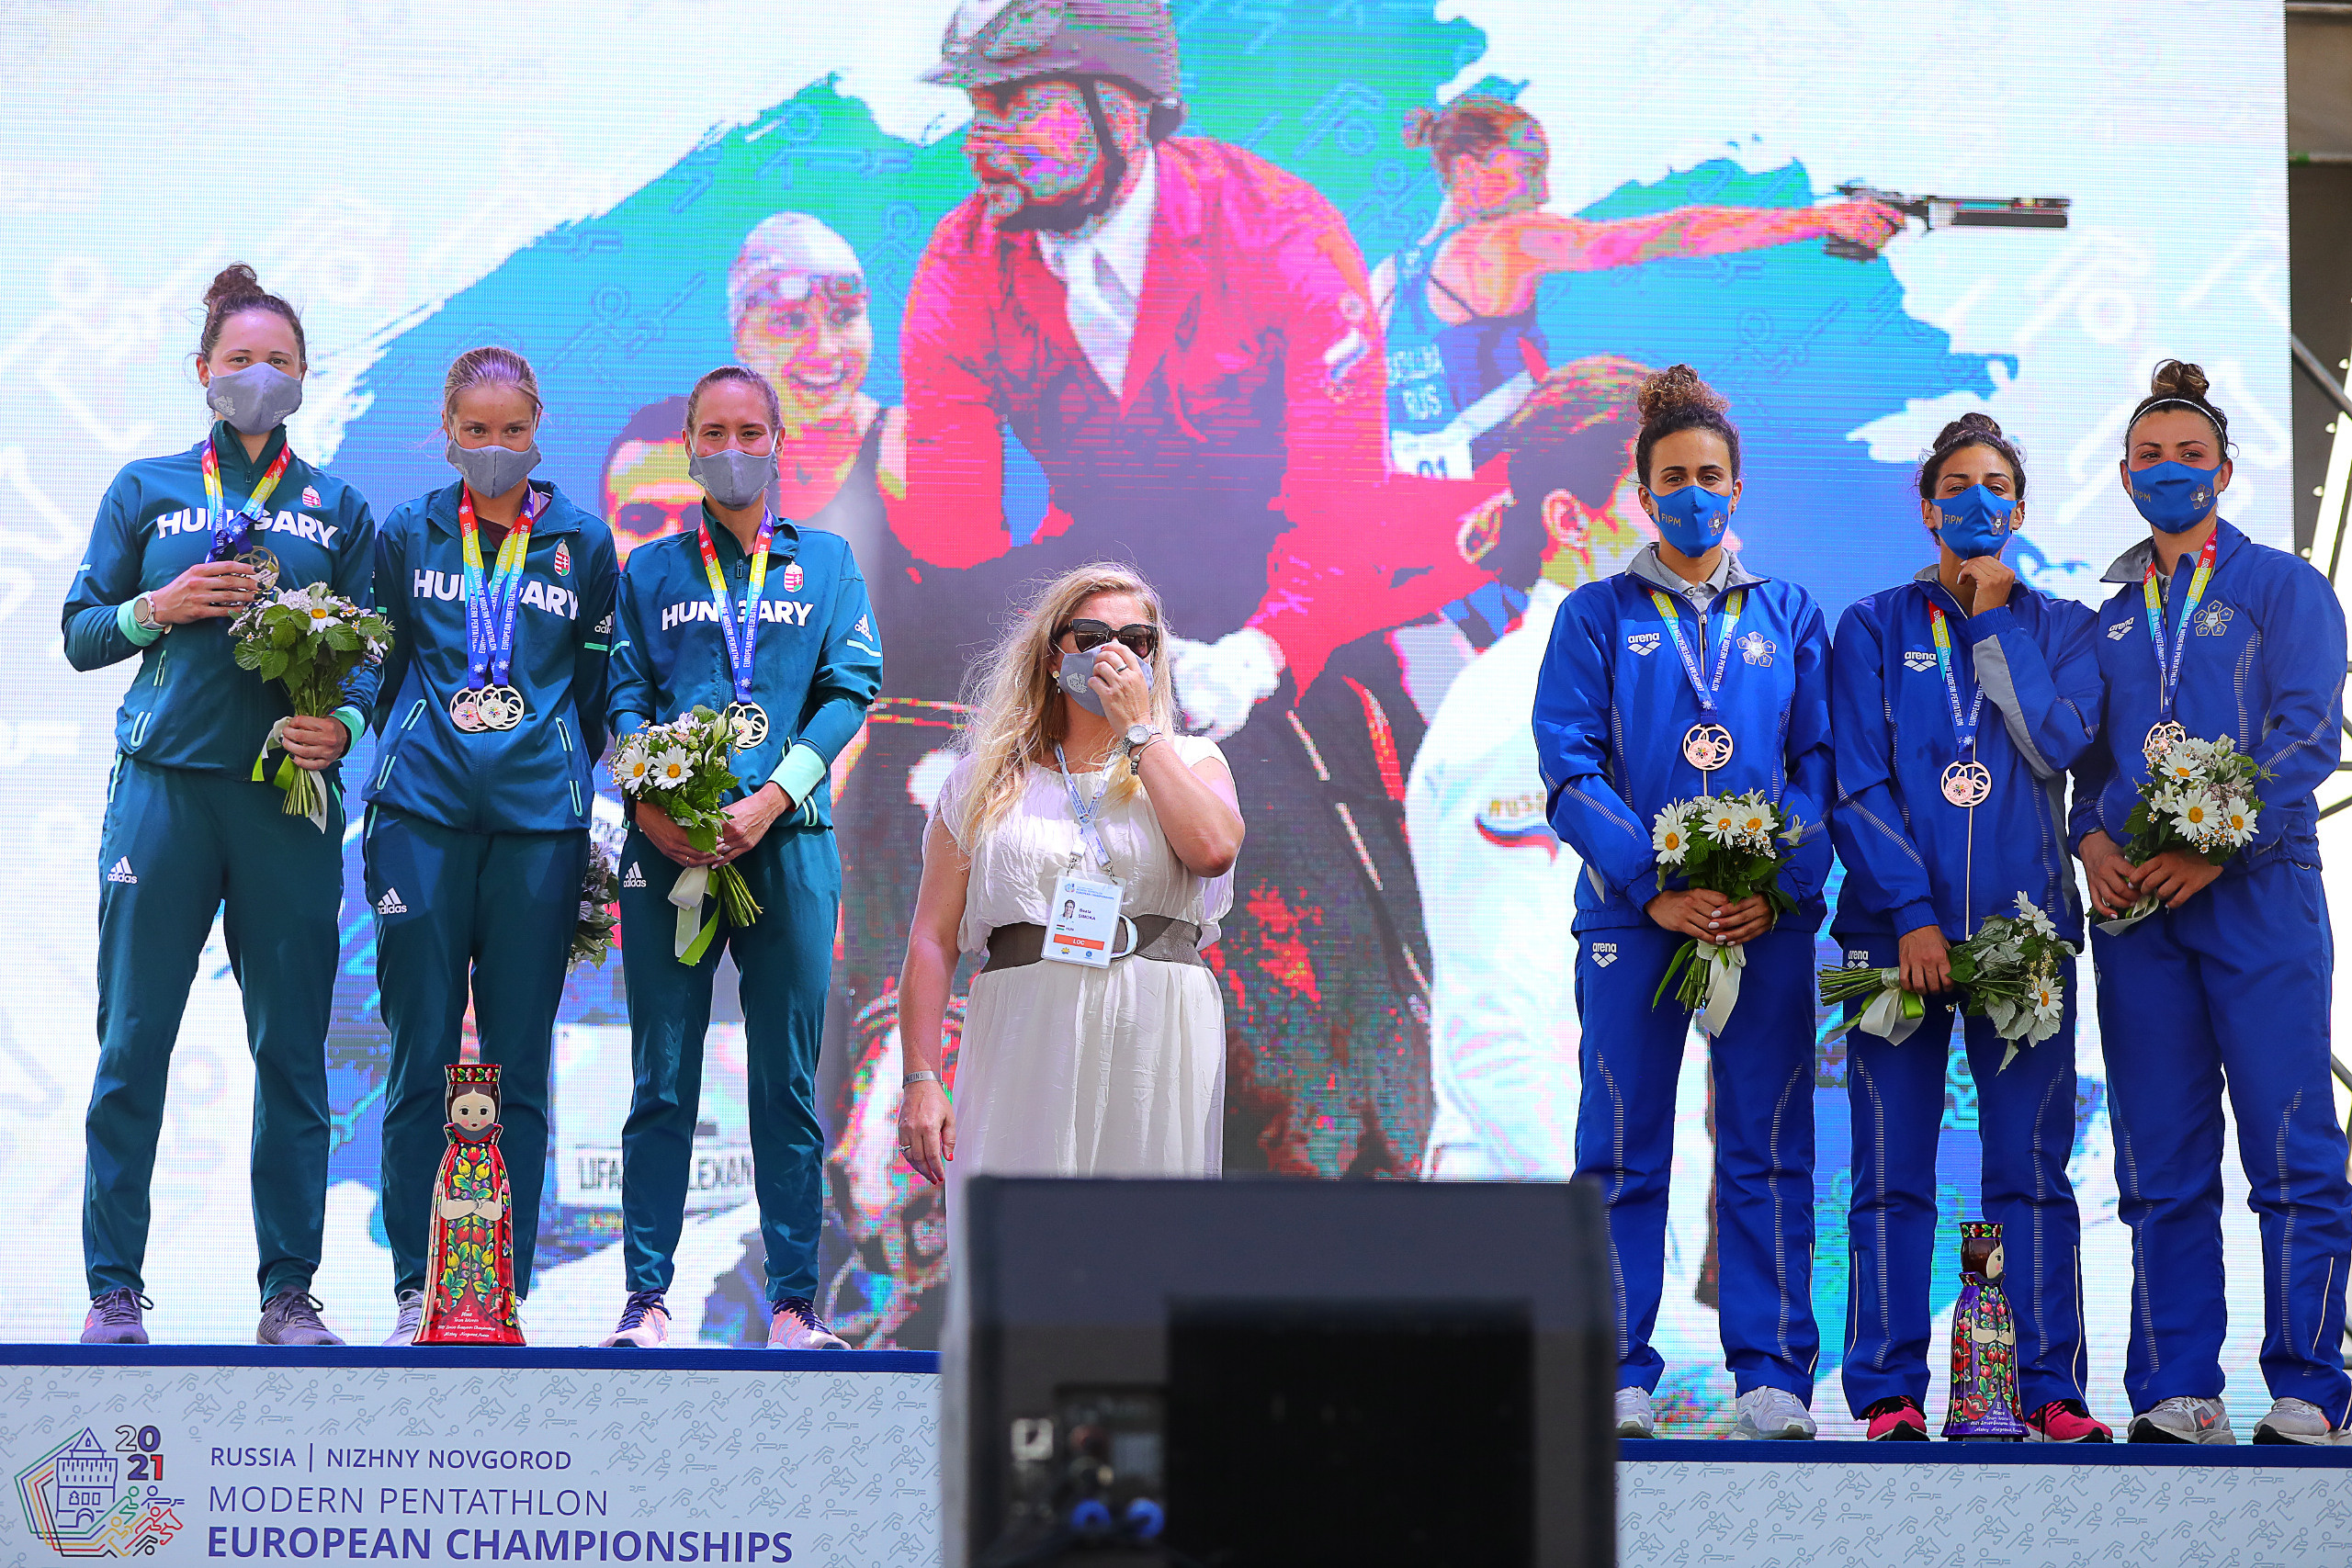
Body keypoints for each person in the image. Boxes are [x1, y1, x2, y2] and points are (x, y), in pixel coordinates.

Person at [900, 0, 1454, 1180]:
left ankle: (1402, 1086)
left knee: (1374, 832)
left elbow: (1344, 504)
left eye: (1017, 105)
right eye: (972, 110)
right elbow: (955, 543)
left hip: (1286, 601)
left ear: (1125, 107)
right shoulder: (960, 262)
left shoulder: (1277, 228)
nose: (981, 139)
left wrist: (1263, 651)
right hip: (1094, 616)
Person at [62, 263, 376, 1346]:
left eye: (278, 361)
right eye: (239, 360)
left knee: (292, 1049)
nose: (258, 376)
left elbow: (378, 659)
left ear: (304, 378)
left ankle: (288, 1293)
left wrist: (347, 730)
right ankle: (114, 1290)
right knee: (133, 1039)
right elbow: (79, 633)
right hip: (162, 797)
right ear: (203, 374)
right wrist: (158, 605)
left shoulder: (339, 508)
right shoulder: (144, 488)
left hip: (286, 805)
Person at [1532, 365, 1833, 1439]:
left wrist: (1775, 885)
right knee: (1618, 1143)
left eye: (1710, 475)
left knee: (1765, 1142)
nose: (1693, 492)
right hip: (1633, 921)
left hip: (1763, 925)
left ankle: (1773, 1374)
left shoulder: (1789, 614)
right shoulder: (1595, 614)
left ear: (1737, 488)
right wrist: (1652, 886)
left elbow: (1818, 766)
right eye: (1673, 477)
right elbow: (1567, 767)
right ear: (1643, 490)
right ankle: (1612, 1368)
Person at [2072, 361, 2352, 1446]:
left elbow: (2303, 735)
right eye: (2150, 457)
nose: (2170, 470)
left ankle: (2308, 1390)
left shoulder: (2283, 588)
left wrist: (2212, 847)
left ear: (2226, 472)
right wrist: (2091, 841)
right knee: (2161, 1160)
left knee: (2290, 1145)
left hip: (2257, 894)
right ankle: (2178, 1388)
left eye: (2190, 456)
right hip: (2138, 914)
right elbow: (2086, 771)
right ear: (2126, 476)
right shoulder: (2105, 619)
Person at [1826, 413, 2109, 1442]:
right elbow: (1852, 783)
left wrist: (1992, 626)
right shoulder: (1869, 628)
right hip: (1890, 940)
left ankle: (2047, 1389)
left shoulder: (2064, 627)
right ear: (1927, 505)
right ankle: (1887, 1390)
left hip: (2024, 941)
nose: (1977, 500)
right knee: (1890, 1170)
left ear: (2020, 510)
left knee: (2028, 1171)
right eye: (1957, 484)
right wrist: (1909, 913)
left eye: (1996, 485)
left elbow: (2056, 745)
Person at [599, 365, 882, 1349]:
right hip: (667, 849)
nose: (731, 448)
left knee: (788, 1082)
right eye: (711, 432)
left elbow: (849, 692)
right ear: (689, 445)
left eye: (749, 432)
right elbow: (623, 698)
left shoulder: (830, 563)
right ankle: (645, 1300)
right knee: (662, 1076)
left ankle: (796, 1305)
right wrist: (647, 798)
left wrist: (773, 797)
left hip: (786, 843)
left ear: (776, 444)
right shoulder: (649, 573)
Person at [366, 345, 620, 1346]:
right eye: (475, 431)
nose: (495, 448)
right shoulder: (408, 531)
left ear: (538, 427)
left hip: (536, 829)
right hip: (420, 818)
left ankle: (498, 1293)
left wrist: (548, 763)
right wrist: (417, 752)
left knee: (516, 1063)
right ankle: (412, 1288)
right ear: (448, 432)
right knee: (420, 1058)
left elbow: (596, 695)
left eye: (512, 431)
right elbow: (382, 672)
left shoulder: (581, 544)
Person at [896, 563, 1243, 1214]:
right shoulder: (983, 780)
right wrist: (920, 1077)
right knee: (1025, 1242)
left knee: (1149, 1244)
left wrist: (1141, 733)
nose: (1114, 652)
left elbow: (1214, 849)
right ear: (1053, 657)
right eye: (1090, 635)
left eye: (1137, 640)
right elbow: (932, 937)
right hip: (1026, 1018)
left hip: (1158, 1018)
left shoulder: (1192, 761)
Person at [1408, 355, 1653, 1180]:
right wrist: (1593, 1253)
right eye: (1666, 494)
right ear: (1570, 519)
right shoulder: (1520, 714)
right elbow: (1497, 1028)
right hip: (1530, 1219)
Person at [1376, 96, 1901, 482]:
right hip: (1513, 479)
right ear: (1469, 169)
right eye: (1530, 170)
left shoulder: (1390, 275)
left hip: (1430, 490)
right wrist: (1818, 220)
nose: (1546, 191)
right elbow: (1674, 233)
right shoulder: (1502, 242)